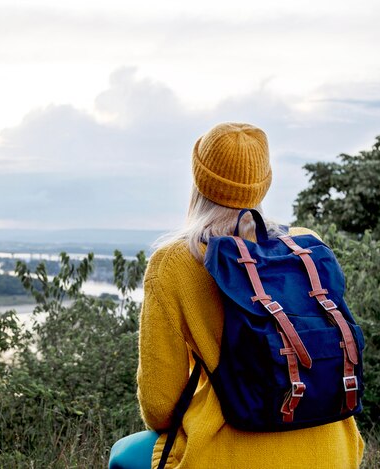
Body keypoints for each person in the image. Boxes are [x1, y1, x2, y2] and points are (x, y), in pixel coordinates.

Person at [108, 123, 365, 469]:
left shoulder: (175, 263)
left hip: (223, 455)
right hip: (334, 452)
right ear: (264, 182)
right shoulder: (307, 246)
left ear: (199, 179)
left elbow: (159, 405)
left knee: (124, 456)